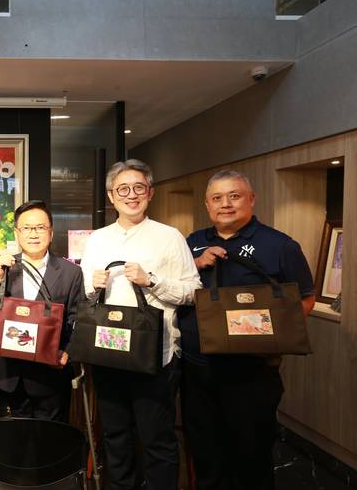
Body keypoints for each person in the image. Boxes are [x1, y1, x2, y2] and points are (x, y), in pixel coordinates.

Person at [179, 169, 315, 490]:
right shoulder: (191, 243)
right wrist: (196, 264)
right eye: (217, 198)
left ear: (251, 199)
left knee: (251, 457)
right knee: (206, 455)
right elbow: (173, 287)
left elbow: (305, 299)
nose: (225, 204)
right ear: (207, 205)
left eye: (234, 196)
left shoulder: (279, 245)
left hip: (252, 372)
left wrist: (265, 331)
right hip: (197, 370)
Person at [80, 159, 201, 490]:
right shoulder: (97, 239)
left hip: (155, 355)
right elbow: (85, 292)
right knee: (116, 436)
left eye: (138, 188)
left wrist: (152, 280)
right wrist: (92, 284)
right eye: (123, 189)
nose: (131, 195)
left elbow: (194, 292)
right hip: (108, 351)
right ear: (111, 196)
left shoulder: (169, 237)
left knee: (156, 438)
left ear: (150, 193)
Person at [0, 200, 85, 421]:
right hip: (11, 373)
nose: (33, 234)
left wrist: (68, 350)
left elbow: (77, 317)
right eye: (27, 228)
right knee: (16, 436)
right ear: (17, 233)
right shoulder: (6, 267)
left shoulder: (71, 272)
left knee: (51, 436)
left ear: (51, 233)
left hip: (50, 372)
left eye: (40, 227)